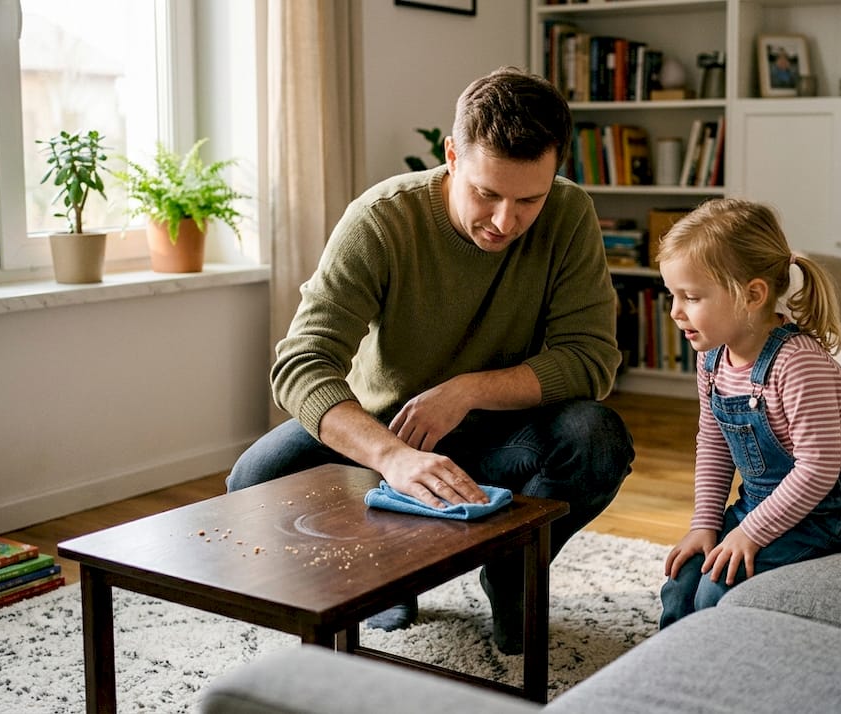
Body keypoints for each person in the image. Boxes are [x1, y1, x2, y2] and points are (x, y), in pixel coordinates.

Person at [227, 67, 635, 654]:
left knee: (597, 439)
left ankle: (513, 569)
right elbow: (301, 363)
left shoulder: (569, 215)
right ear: (450, 156)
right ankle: (382, 568)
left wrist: (466, 390)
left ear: (555, 174)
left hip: (505, 435)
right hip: (386, 429)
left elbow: (592, 360)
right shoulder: (382, 219)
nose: (504, 222)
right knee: (252, 482)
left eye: (528, 200)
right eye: (486, 193)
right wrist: (392, 456)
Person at [656, 198, 841, 629]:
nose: (675, 312)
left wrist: (750, 534)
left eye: (692, 297)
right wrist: (705, 524)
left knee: (718, 589)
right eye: (672, 296)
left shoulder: (799, 364)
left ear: (753, 295)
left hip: (833, 511)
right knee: (684, 578)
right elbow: (714, 443)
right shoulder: (712, 360)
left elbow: (818, 469)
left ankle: (718, 673)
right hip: (762, 502)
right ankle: (667, 671)